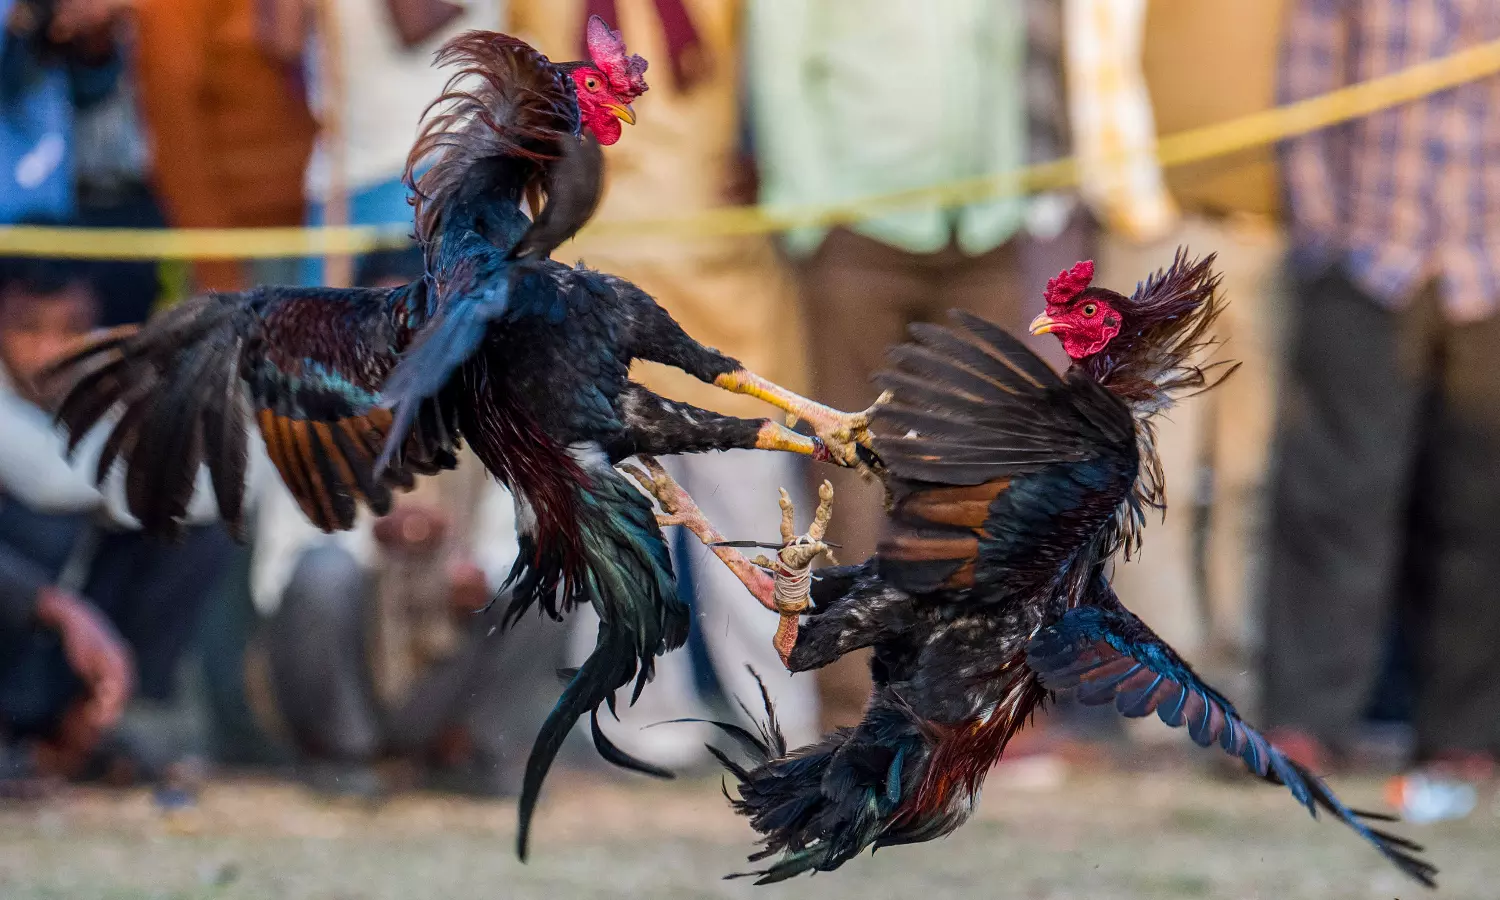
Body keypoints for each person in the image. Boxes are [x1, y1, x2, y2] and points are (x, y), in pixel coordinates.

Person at [511, 0, 822, 764]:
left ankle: (782, 726)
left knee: (755, 525)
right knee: (614, 525)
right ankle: (641, 732)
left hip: (720, 288)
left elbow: (783, 91)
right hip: (586, 291)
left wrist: (771, 169)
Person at [1263, 0, 1500, 784]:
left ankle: (1465, 735)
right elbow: (1305, 83)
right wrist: (1325, 231)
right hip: (1368, 252)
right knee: (1335, 497)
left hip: (1489, 260)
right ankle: (1308, 722)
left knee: (1481, 507)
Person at [251, 247, 564, 798]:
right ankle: (346, 756)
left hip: (437, 660)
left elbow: (508, 538)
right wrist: (377, 537)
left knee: (547, 575)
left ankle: (468, 749)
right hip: (343, 666)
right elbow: (279, 576)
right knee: (323, 576)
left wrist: (481, 581)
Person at [0, 253, 232, 791]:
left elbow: (206, 497)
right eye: (26, 328)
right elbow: (55, 485)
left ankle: (113, 720)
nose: (48, 350)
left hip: (81, 632)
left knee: (192, 535)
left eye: (71, 329)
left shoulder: (109, 372)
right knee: (45, 524)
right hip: (28, 612)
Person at [1, 0, 125, 223]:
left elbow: (86, 93)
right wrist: (31, 21)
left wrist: (95, 43)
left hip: (51, 203)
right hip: (9, 206)